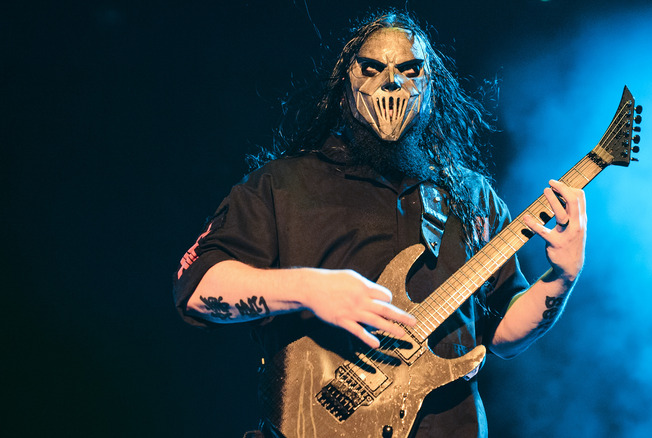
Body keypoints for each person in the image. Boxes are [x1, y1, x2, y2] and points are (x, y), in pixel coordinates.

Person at [173, 9, 586, 438]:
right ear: (344, 85)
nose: (391, 84)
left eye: (410, 71)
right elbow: (196, 289)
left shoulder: (472, 195)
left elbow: (502, 334)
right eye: (372, 69)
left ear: (431, 86)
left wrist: (562, 277)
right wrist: (311, 290)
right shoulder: (282, 185)